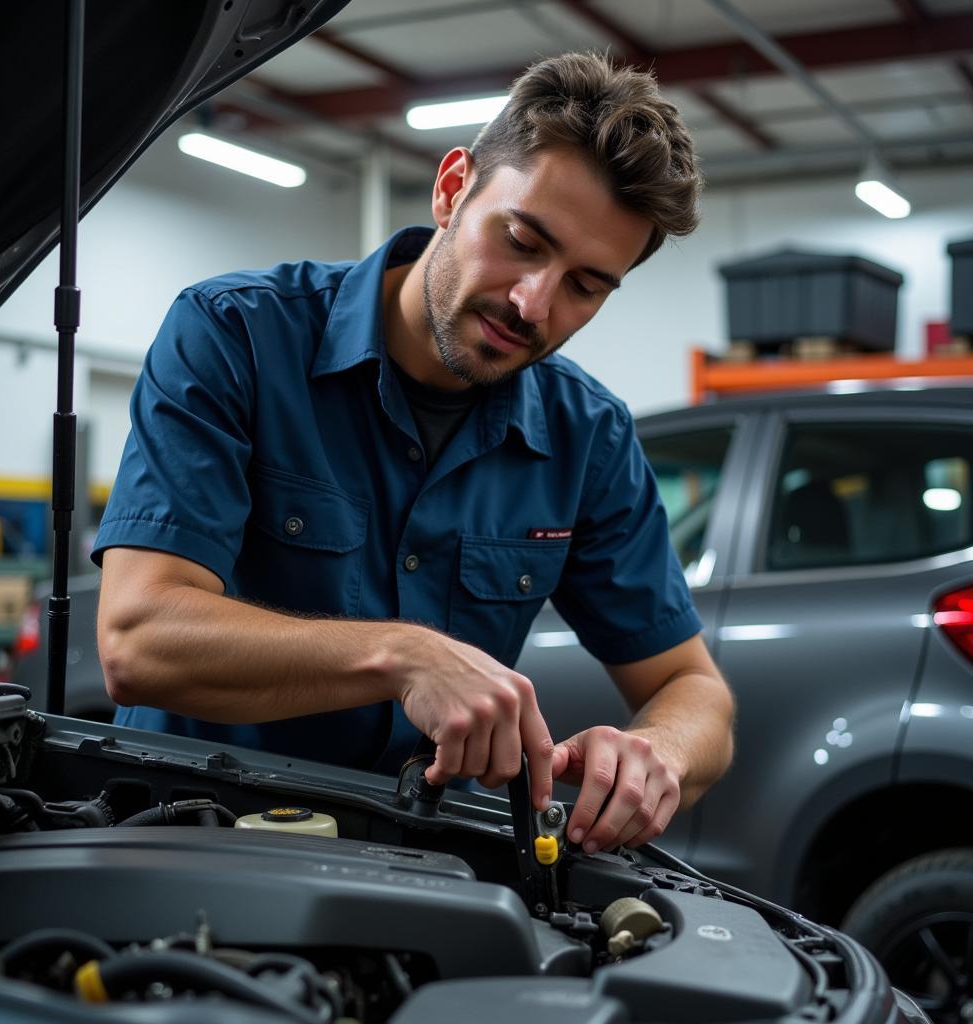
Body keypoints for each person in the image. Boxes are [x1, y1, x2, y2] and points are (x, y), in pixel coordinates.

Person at [93, 52, 734, 855]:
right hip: (188, 841)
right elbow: (138, 639)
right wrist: (403, 657)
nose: (533, 303)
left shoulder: (588, 437)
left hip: (416, 868)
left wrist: (658, 755)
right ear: (451, 188)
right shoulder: (235, 337)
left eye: (585, 285)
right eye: (523, 240)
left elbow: (694, 691)